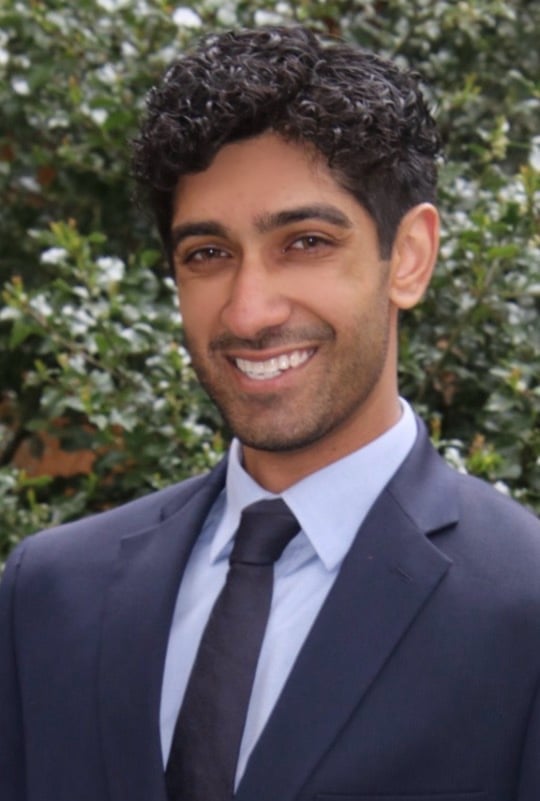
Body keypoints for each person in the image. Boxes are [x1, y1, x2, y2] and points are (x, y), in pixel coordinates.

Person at [1, 25, 539, 801]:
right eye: (208, 254)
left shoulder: (524, 606)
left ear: (409, 256)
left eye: (306, 241)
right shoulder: (50, 594)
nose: (249, 311)